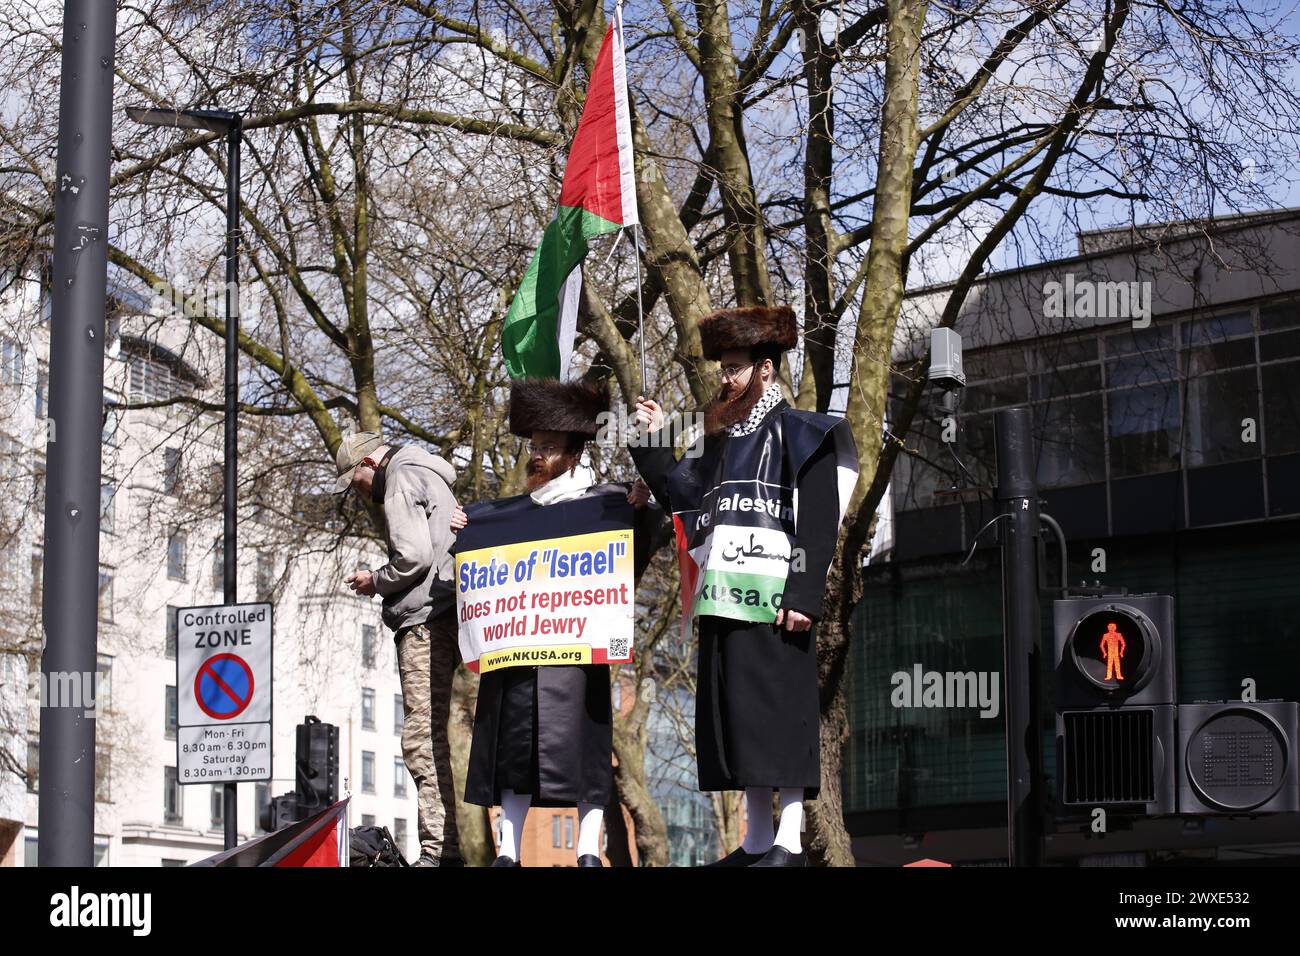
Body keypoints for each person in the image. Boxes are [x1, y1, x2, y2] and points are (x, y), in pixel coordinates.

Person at [630, 305, 858, 867]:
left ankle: (788, 841)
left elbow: (819, 519)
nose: (725, 379)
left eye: (734, 368)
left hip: (779, 599)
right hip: (726, 599)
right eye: (723, 369)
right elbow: (680, 494)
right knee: (742, 718)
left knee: (784, 716)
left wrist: (804, 597)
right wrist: (652, 437)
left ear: (768, 369)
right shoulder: (719, 441)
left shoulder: (806, 432)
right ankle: (757, 842)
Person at [452, 379, 660, 867]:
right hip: (515, 655)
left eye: (548, 447)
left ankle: (588, 849)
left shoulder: (607, 505)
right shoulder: (501, 516)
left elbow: (641, 550)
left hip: (575, 655)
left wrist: (643, 503)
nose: (538, 455)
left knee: (586, 749)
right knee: (512, 748)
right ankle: (509, 850)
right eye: (534, 446)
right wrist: (462, 528)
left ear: (572, 453)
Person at [333, 431, 463, 866]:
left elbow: (413, 556)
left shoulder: (401, 479)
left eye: (356, 482)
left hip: (424, 620)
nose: (361, 494)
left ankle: (440, 852)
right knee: (433, 734)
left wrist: (377, 580)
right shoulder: (430, 475)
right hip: (446, 614)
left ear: (369, 464)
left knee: (421, 738)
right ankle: (444, 849)